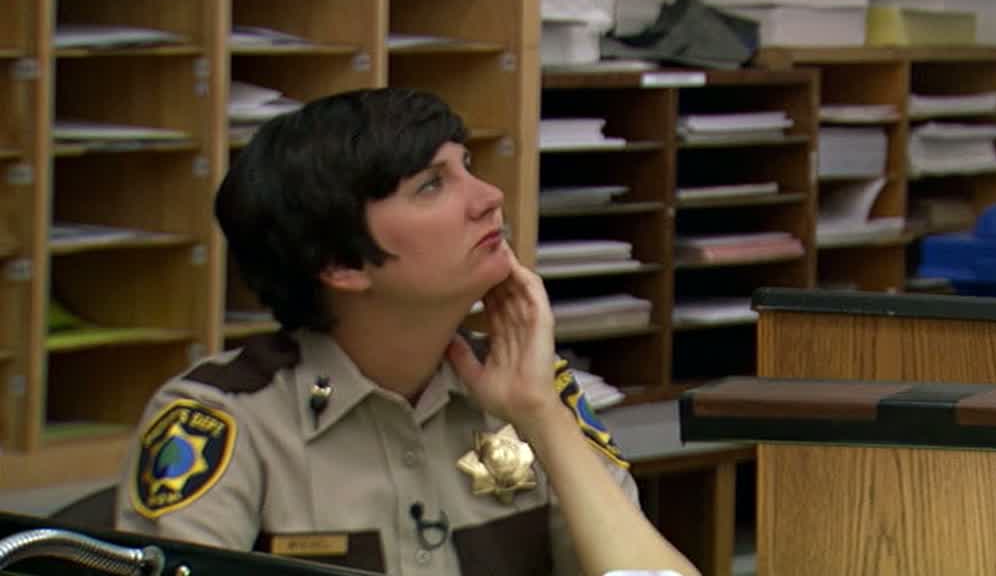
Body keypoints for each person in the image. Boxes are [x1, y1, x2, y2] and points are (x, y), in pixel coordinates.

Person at [114, 88, 700, 576]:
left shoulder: (528, 390)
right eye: (431, 185)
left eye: (467, 166)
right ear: (341, 264)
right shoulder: (224, 421)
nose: (489, 197)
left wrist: (542, 416)